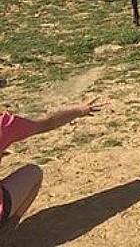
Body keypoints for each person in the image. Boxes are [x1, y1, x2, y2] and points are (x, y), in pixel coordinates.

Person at [0, 99, 100, 236]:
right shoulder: (5, 124)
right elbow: (49, 122)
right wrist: (79, 111)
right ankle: (6, 231)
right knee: (33, 172)